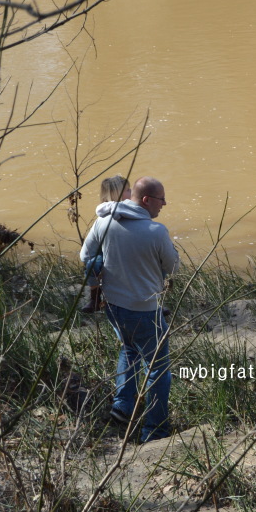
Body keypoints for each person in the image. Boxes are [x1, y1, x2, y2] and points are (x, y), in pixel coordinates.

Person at [80, 176, 178, 442]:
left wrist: (97, 286)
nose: (164, 204)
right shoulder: (156, 231)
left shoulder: (104, 220)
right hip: (146, 311)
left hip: (113, 306)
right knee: (157, 369)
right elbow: (173, 267)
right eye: (161, 199)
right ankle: (155, 429)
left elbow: (85, 257)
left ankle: (122, 407)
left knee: (129, 348)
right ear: (146, 200)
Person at [81, 175, 131, 313]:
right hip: (108, 257)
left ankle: (155, 301)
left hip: (127, 258)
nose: (131, 193)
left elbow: (84, 255)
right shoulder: (104, 216)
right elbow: (86, 253)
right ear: (114, 195)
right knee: (93, 263)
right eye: (127, 190)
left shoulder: (135, 212)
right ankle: (95, 298)